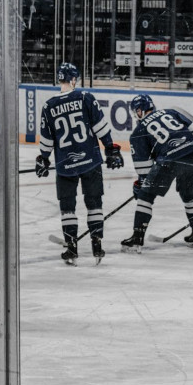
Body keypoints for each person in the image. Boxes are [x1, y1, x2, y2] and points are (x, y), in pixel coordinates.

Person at [36, 63, 124, 265]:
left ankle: (71, 249)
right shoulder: (85, 97)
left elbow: (47, 141)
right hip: (90, 161)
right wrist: (110, 148)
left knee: (68, 207)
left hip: (65, 164)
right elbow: (100, 127)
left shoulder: (49, 106)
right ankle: (97, 246)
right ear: (74, 79)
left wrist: (43, 159)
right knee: (94, 204)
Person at [122, 96, 193, 251]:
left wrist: (141, 185)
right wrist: (183, 148)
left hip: (168, 160)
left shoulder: (138, 132)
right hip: (192, 154)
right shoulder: (170, 112)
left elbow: (144, 169)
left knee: (146, 196)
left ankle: (137, 238)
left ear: (139, 111)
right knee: (188, 195)